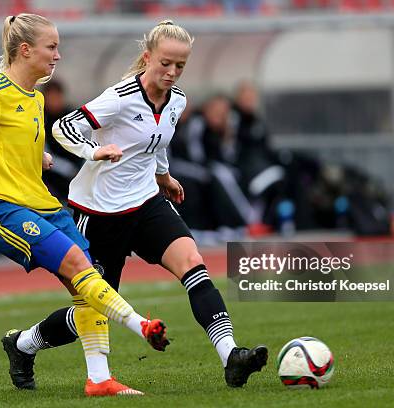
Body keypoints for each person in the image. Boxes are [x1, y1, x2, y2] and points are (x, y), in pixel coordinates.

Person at [14, 20, 268, 393]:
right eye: (165, 63)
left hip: (146, 203)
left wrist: (163, 176)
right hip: (98, 213)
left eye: (180, 66)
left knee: (194, 267)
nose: (171, 72)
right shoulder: (120, 96)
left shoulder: (177, 100)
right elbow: (64, 128)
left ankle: (231, 356)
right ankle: (23, 344)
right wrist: (94, 150)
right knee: (95, 309)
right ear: (148, 57)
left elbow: (156, 143)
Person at [0, 13, 169, 397]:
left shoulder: (36, 97)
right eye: (52, 47)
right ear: (26, 50)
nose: (57, 55)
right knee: (83, 268)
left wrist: (41, 156)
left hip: (43, 204)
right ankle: (141, 325)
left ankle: (97, 379)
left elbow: (18, 140)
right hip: (4, 207)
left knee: (88, 283)